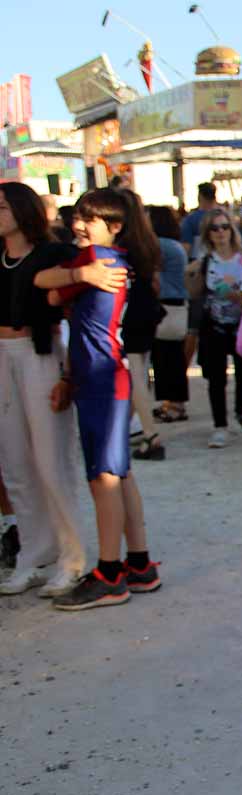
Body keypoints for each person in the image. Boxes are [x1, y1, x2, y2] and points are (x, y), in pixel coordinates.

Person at [35, 188, 162, 610]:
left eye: (88, 219)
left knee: (104, 477)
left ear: (115, 225)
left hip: (102, 380)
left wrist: (75, 276)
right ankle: (138, 564)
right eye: (78, 217)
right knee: (118, 473)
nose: (78, 225)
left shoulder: (99, 260)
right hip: (105, 378)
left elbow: (44, 284)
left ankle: (110, 574)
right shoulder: (115, 259)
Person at [0, 183, 87, 597]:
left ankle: (72, 558)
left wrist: (68, 374)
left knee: (52, 461)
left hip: (40, 354)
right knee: (15, 463)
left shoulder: (54, 254)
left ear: (22, 210)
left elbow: (77, 310)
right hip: (2, 357)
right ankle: (32, 555)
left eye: (1, 206)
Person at [188, 207, 242, 448]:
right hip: (214, 325)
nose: (220, 232)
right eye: (214, 228)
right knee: (216, 378)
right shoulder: (206, 261)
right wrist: (190, 275)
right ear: (207, 233)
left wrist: (238, 295)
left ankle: (239, 413)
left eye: (224, 226)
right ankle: (220, 425)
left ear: (232, 229)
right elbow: (195, 293)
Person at [118, 190, 166, 462]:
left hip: (132, 311)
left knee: (135, 373)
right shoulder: (146, 240)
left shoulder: (123, 243)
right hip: (147, 308)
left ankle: (150, 433)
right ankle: (137, 429)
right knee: (138, 373)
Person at [148, 206, 190, 424]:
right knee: (171, 357)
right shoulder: (174, 245)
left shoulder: (161, 246)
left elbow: (152, 275)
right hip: (176, 305)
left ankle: (174, 404)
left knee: (167, 358)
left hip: (166, 305)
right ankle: (173, 403)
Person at [179, 182, 217, 256]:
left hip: (198, 263)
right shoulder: (225, 218)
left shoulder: (190, 220)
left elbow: (186, 248)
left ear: (200, 196)